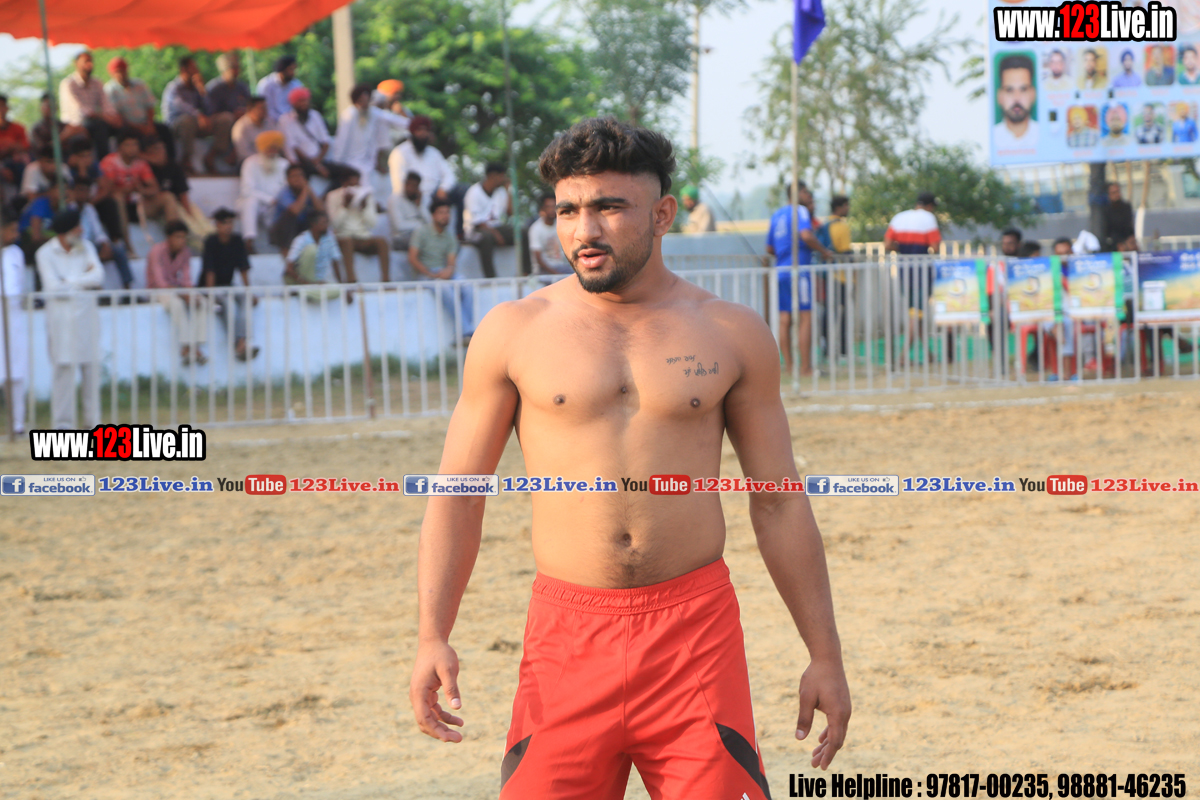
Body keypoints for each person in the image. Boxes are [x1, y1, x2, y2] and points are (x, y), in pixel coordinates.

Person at [408, 117, 851, 796]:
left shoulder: (731, 333)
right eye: (568, 210)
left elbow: (779, 502)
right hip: (566, 638)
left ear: (663, 214)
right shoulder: (512, 332)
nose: (584, 230)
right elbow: (459, 495)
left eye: (609, 207)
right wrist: (431, 634)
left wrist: (824, 653)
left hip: (694, 636)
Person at [35, 209, 104, 429]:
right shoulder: (45, 253)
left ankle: (93, 424)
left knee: (91, 371)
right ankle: (63, 426)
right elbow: (53, 288)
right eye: (77, 227)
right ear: (65, 232)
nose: (81, 230)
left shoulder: (87, 247)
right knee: (63, 372)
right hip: (61, 322)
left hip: (87, 320)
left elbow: (99, 276)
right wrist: (83, 279)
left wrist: (69, 281)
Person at [766, 183, 834, 376]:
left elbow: (769, 248)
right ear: (797, 193)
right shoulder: (800, 211)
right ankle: (805, 368)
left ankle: (789, 367)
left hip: (781, 271)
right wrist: (824, 251)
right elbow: (806, 235)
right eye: (805, 192)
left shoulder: (777, 214)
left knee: (784, 319)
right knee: (806, 317)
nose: (808, 195)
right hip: (799, 272)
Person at [408, 197, 474, 336]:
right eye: (441, 212)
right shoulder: (421, 232)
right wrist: (430, 274)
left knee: (467, 286)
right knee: (445, 288)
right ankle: (467, 331)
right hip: (425, 275)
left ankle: (465, 330)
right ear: (433, 215)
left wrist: (448, 271)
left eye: (447, 212)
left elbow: (451, 262)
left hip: (442, 273)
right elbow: (412, 258)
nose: (445, 216)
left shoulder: (450, 236)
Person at [100, 129, 175, 248]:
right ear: (119, 147)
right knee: (118, 197)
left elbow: (155, 188)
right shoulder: (110, 162)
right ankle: (127, 246)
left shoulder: (141, 163)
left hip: (138, 206)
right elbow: (106, 190)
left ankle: (174, 242)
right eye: (128, 145)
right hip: (116, 209)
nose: (132, 148)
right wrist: (127, 189)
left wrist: (141, 190)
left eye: (135, 144)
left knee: (167, 197)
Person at [146, 220, 207, 365]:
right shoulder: (156, 251)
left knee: (201, 302)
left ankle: (196, 345)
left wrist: (189, 294)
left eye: (184, 237)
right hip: (156, 291)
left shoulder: (185, 252)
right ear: (169, 237)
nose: (182, 240)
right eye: (178, 237)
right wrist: (182, 294)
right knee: (177, 304)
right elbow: (160, 282)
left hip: (176, 289)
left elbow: (187, 279)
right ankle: (187, 347)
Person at [162, 56, 235, 174]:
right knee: (187, 121)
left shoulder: (196, 88)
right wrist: (198, 115)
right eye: (193, 68)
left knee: (225, 118)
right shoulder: (174, 88)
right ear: (183, 70)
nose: (197, 71)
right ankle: (186, 160)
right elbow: (181, 106)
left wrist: (202, 91)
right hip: (177, 125)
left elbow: (210, 110)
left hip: (198, 124)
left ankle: (211, 157)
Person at [201, 208, 257, 361]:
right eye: (225, 223)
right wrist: (210, 295)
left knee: (245, 299)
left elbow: (243, 269)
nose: (229, 226)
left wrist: (249, 292)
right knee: (228, 304)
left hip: (228, 285)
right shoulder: (210, 242)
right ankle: (240, 344)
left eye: (231, 223)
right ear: (217, 225)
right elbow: (209, 271)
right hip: (212, 287)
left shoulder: (237, 241)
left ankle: (242, 341)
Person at [329, 82, 410, 179]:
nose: (365, 104)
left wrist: (415, 124)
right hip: (350, 163)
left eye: (367, 100)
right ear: (356, 100)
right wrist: (338, 164)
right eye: (361, 100)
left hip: (369, 164)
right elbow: (342, 141)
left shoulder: (373, 112)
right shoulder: (348, 115)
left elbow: (394, 119)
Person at [67, 178, 132, 292]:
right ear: (73, 192)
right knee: (84, 252)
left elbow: (99, 232)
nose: (83, 194)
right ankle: (97, 289)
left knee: (118, 250)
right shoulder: (68, 209)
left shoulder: (89, 209)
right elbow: (69, 236)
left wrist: (105, 244)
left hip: (92, 245)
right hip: (76, 246)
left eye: (86, 191)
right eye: (80, 190)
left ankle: (127, 288)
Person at [104, 57, 173, 159]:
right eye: (117, 72)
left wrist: (149, 125)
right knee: (130, 136)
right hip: (127, 126)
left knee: (164, 129)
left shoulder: (139, 84)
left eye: (122, 70)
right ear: (112, 74)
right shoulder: (110, 90)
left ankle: (171, 161)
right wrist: (139, 127)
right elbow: (117, 116)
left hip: (146, 123)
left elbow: (150, 106)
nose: (121, 74)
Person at [327, 168, 389, 282]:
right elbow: (335, 225)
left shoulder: (366, 196)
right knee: (347, 241)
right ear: (344, 184)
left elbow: (373, 224)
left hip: (362, 237)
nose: (355, 188)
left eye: (357, 184)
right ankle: (351, 280)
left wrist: (364, 208)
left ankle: (386, 281)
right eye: (351, 185)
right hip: (343, 237)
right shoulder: (333, 196)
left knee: (382, 242)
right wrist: (344, 206)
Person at [58, 51, 122, 160]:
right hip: (75, 124)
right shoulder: (68, 84)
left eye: (91, 61)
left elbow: (106, 105)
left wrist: (113, 117)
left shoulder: (97, 83)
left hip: (95, 121)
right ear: (76, 63)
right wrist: (103, 116)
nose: (89, 65)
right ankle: (103, 162)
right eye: (86, 61)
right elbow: (82, 111)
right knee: (99, 126)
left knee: (122, 127)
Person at [143, 137, 212, 237]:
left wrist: (190, 214)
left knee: (198, 217)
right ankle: (196, 239)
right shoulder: (144, 167)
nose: (161, 152)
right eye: (156, 149)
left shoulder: (174, 167)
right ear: (147, 152)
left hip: (179, 204)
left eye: (163, 148)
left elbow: (183, 194)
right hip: (159, 207)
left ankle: (211, 237)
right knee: (189, 224)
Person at [238, 131, 289, 251]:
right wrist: (270, 200)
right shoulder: (250, 163)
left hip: (275, 205)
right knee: (250, 202)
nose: (272, 151)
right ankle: (249, 242)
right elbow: (247, 190)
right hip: (257, 203)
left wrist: (275, 201)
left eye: (275, 148)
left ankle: (280, 245)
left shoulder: (284, 164)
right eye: (269, 148)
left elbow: (286, 188)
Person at [387, 115, 455, 206]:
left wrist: (443, 188)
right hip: (410, 199)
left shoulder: (434, 153)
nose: (423, 133)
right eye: (419, 130)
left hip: (434, 198)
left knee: (461, 190)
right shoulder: (399, 153)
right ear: (412, 132)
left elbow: (449, 175)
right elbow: (398, 185)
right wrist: (415, 195)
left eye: (426, 130)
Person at [0, 214, 27, 433]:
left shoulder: (16, 253)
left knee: (15, 372)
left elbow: (18, 286)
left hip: (13, 318)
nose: (16, 234)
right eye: (11, 230)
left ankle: (17, 423)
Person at [463, 163, 514, 279]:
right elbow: (477, 223)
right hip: (475, 231)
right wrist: (496, 235)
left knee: (521, 232)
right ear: (493, 176)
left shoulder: (500, 192)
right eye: (502, 176)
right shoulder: (474, 192)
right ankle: (490, 277)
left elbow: (510, 213)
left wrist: (509, 191)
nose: (504, 179)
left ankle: (526, 272)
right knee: (487, 237)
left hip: (496, 227)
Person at [284, 210, 344, 299]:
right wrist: (307, 283)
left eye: (327, 223)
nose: (327, 226)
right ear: (313, 224)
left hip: (316, 282)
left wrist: (343, 286)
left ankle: (308, 294)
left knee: (337, 291)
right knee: (312, 249)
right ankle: (306, 291)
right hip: (301, 280)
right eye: (323, 223)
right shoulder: (301, 239)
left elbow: (335, 262)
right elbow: (289, 269)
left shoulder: (329, 238)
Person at [279, 87, 332, 179]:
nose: (304, 103)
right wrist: (316, 166)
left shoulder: (315, 115)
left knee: (348, 174)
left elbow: (326, 141)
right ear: (293, 103)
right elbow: (293, 147)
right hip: (301, 164)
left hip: (320, 160)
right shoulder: (285, 120)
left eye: (306, 100)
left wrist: (318, 161)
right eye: (301, 101)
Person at [270, 163, 323, 252]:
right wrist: (305, 190)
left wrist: (309, 191)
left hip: (301, 227)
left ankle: (319, 248)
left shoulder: (308, 190)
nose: (298, 178)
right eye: (294, 176)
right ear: (288, 179)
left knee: (319, 217)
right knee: (290, 216)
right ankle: (286, 251)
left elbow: (321, 210)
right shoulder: (284, 193)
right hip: (281, 232)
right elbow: (295, 211)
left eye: (300, 175)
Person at [994, 54, 1038, 150]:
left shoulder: (1045, 136)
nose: (1017, 98)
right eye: (1009, 90)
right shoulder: (991, 139)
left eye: (1023, 89)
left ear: (1033, 94)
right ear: (1000, 96)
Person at [527, 192, 570, 276]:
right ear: (542, 209)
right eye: (548, 207)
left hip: (562, 267)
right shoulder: (535, 229)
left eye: (554, 206)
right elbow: (538, 259)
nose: (551, 210)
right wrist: (556, 274)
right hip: (543, 271)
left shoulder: (561, 225)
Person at [388, 170, 430, 252]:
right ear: (405, 184)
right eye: (409, 184)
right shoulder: (394, 199)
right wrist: (420, 225)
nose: (410, 188)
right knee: (423, 242)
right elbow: (399, 226)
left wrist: (420, 206)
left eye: (414, 186)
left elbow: (430, 223)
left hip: (421, 235)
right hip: (401, 238)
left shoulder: (423, 199)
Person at [205, 53, 253, 120]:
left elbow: (250, 105)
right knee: (227, 118)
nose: (237, 71)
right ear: (224, 70)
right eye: (233, 68)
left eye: (237, 68)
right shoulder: (214, 88)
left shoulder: (242, 87)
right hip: (221, 120)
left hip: (242, 118)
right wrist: (232, 114)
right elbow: (211, 111)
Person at [256, 55, 302, 125]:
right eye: (291, 69)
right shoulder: (266, 85)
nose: (293, 73)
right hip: (271, 123)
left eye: (294, 69)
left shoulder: (296, 84)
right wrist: (281, 121)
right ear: (282, 69)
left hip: (292, 122)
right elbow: (265, 109)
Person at [0, 93, 31, 191]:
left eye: (2, 106)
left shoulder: (18, 128)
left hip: (16, 162)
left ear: (7, 108)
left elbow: (25, 146)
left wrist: (12, 146)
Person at [231, 96, 275, 164]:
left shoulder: (269, 122)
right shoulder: (240, 127)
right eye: (262, 108)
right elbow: (243, 153)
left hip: (270, 160)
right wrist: (262, 160)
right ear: (250, 110)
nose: (265, 111)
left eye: (266, 108)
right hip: (248, 163)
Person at [1104, 182, 1135, 251]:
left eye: (1118, 191)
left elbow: (1129, 227)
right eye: (1113, 193)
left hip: (1127, 241)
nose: (1117, 195)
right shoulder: (1106, 210)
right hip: (1113, 244)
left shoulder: (1126, 207)